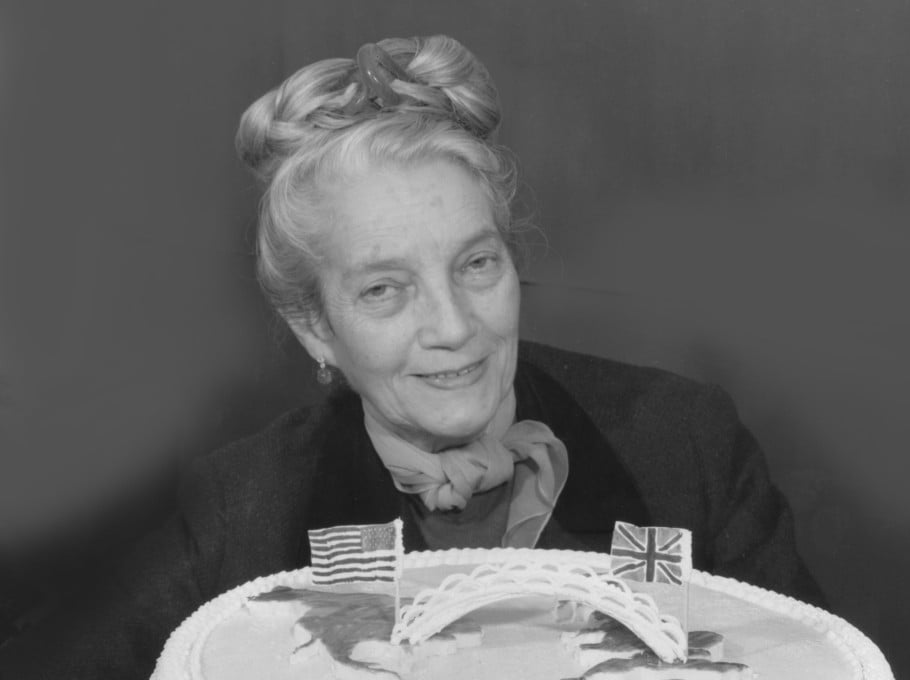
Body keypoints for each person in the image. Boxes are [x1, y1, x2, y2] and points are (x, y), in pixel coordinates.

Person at [0, 35, 823, 678]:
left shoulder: (685, 443)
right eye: (384, 290)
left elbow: (816, 662)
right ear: (315, 327)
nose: (454, 327)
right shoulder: (244, 510)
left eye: (476, 265)